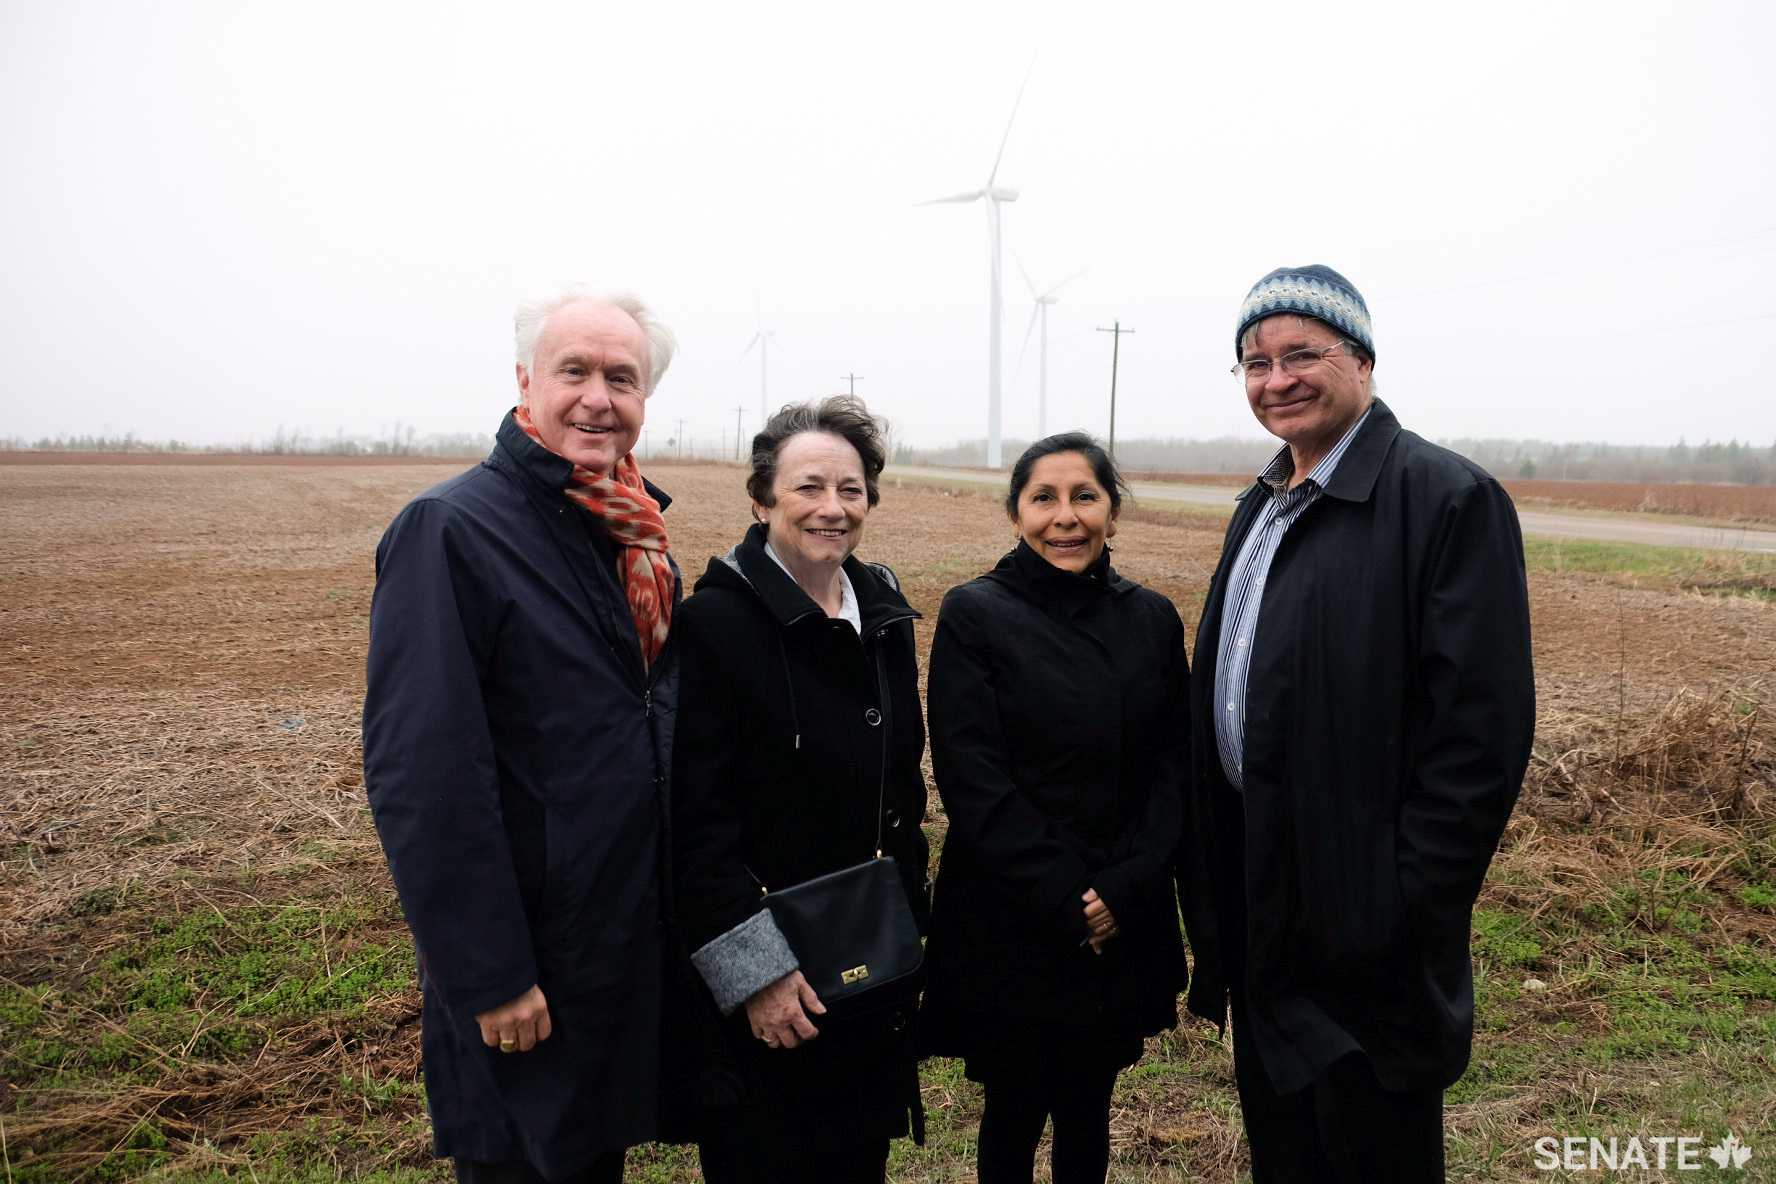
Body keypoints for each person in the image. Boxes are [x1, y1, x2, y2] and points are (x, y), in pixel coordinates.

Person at [1179, 265, 1535, 1182]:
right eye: (1255, 362)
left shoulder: (1446, 500)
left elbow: (1481, 739)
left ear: (1364, 361)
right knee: (1286, 1151)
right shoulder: (1260, 508)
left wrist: (1399, 898)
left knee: (1371, 1151)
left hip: (1366, 927)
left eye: (1304, 353)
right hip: (1266, 899)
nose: (1277, 378)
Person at [362, 285, 681, 1184]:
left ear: (644, 401)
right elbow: (425, 774)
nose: (598, 397)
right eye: (572, 370)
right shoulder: (452, 529)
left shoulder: (636, 535)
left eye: (622, 377)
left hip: (613, 948)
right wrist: (490, 973)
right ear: (524, 380)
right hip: (528, 961)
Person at [671, 395, 931, 1184]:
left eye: (851, 490)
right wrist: (756, 975)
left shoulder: (883, 614)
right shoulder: (713, 626)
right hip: (776, 991)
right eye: (808, 487)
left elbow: (904, 792)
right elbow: (693, 823)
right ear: (761, 499)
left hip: (869, 969)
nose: (833, 508)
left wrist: (908, 931)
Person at [920, 433, 1191, 1184]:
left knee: (1088, 1107)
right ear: (1015, 515)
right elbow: (973, 777)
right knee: (1012, 1109)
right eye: (1044, 498)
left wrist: (1128, 886)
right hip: (1014, 917)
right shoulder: (975, 614)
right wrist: (1069, 897)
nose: (1065, 517)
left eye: (1085, 496)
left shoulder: (1153, 619)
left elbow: (1176, 767)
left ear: (1113, 512)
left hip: (1121, 910)